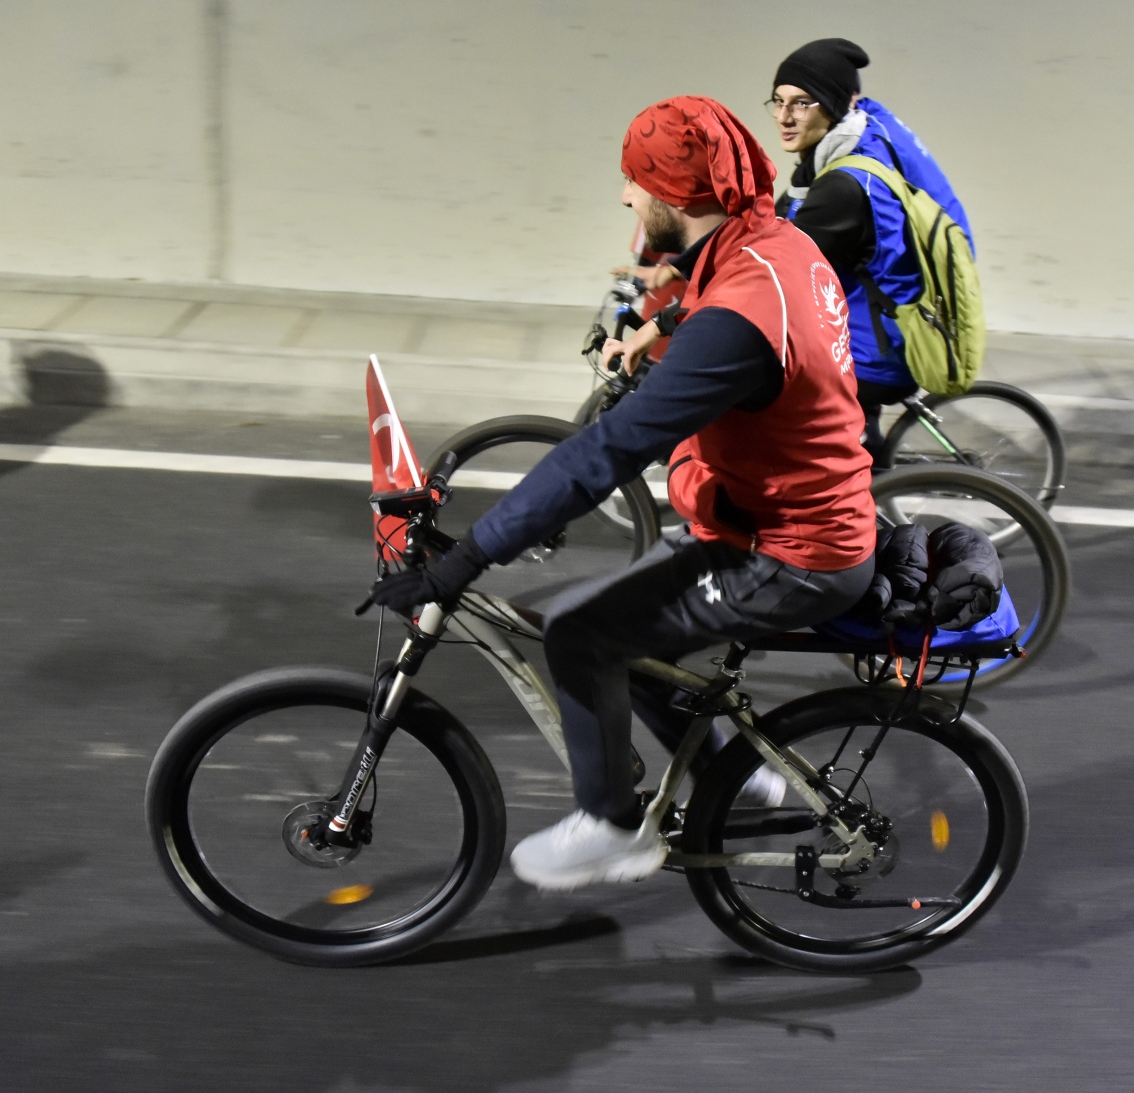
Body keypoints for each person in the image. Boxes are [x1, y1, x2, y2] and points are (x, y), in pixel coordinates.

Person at [369, 96, 877, 891]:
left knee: (581, 631)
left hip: (792, 552)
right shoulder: (774, 243)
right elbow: (713, 300)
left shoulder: (738, 317)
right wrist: (659, 332)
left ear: (679, 194)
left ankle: (610, 828)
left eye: (637, 182)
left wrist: (465, 559)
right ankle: (739, 778)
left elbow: (604, 453)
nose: (627, 198)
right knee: (632, 635)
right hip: (773, 513)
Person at [768, 38, 975, 463]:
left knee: (759, 401)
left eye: (802, 103)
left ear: (835, 105)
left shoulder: (845, 185)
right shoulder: (854, 139)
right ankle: (869, 463)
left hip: (871, 355)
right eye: (778, 101)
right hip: (877, 330)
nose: (784, 117)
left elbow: (775, 265)